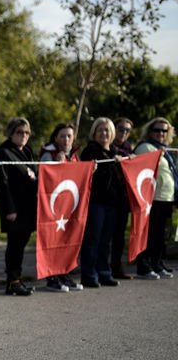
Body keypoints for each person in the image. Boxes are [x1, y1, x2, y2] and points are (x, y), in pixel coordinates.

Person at [0, 118, 37, 297]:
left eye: (26, 132)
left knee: (22, 242)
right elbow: (2, 183)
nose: (23, 136)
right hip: (14, 206)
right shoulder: (3, 152)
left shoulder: (27, 151)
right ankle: (13, 281)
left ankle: (17, 279)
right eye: (19, 132)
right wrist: (9, 209)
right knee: (15, 245)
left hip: (29, 205)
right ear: (11, 133)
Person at [79, 117, 124, 288]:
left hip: (112, 203)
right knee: (93, 239)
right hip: (96, 202)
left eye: (107, 130)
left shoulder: (114, 152)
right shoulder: (89, 152)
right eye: (100, 130)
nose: (104, 133)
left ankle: (104, 273)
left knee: (106, 240)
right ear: (94, 133)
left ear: (112, 133)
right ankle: (89, 275)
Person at [39, 123, 83, 292]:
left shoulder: (73, 154)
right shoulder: (49, 154)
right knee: (53, 241)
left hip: (69, 205)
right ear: (55, 138)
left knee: (68, 240)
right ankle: (52, 278)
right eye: (62, 136)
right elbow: (44, 176)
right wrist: (56, 165)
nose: (66, 139)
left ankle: (65, 275)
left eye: (69, 136)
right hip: (52, 207)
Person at [133, 117, 176, 280]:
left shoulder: (166, 149)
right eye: (157, 130)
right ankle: (144, 266)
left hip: (166, 197)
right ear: (150, 131)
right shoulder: (146, 147)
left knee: (162, 235)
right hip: (152, 198)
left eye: (164, 131)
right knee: (150, 234)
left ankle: (157, 264)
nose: (160, 134)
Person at [110, 117, 135, 280]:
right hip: (107, 198)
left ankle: (117, 267)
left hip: (123, 198)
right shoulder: (108, 146)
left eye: (127, 130)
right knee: (104, 236)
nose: (123, 133)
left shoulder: (129, 148)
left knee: (119, 235)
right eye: (120, 129)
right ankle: (101, 269)